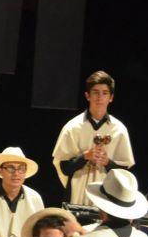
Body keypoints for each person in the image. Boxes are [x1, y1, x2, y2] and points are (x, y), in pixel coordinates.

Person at [50, 71, 134, 205]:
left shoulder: (119, 130)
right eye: (95, 92)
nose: (100, 97)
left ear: (111, 97)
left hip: (107, 199)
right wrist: (84, 157)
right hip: (77, 196)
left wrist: (107, 162)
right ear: (87, 96)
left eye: (105, 93)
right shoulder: (73, 127)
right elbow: (63, 168)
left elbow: (125, 173)